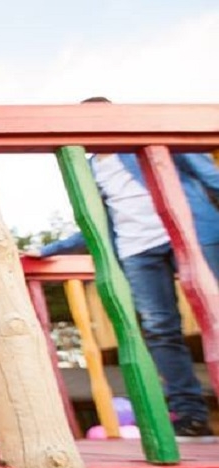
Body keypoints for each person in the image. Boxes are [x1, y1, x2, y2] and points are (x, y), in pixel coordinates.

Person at [28, 97, 219, 442]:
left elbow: (208, 174)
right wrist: (47, 250)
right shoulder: (86, 167)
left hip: (191, 233)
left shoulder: (148, 140)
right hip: (136, 249)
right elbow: (95, 222)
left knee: (214, 314)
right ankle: (190, 416)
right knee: (160, 329)